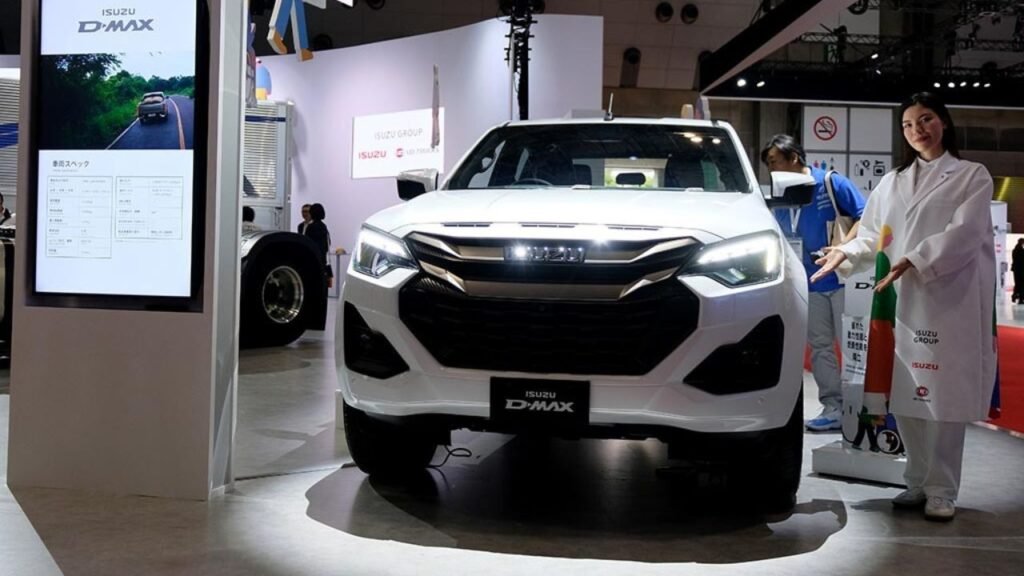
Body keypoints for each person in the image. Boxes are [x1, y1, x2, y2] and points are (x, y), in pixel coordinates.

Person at [812, 92, 996, 521]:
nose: (918, 130)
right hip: (898, 301)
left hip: (948, 300)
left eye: (926, 119)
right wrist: (845, 252)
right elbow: (873, 234)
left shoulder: (971, 175)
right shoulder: (893, 181)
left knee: (943, 400)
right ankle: (916, 480)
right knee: (907, 394)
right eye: (909, 125)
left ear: (943, 122)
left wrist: (915, 259)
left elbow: (965, 233)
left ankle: (942, 490)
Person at [761, 134, 866, 431]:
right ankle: (833, 406)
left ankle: (859, 408)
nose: (771, 169)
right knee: (820, 347)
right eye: (768, 164)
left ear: (794, 157)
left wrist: (842, 247)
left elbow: (865, 216)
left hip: (843, 280)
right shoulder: (780, 193)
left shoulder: (830, 182)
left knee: (852, 347)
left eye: (774, 161)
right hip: (807, 284)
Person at [303, 203, 333, 288]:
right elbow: (327, 244)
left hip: (312, 262)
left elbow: (307, 244)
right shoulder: (324, 227)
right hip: (322, 262)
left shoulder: (310, 227)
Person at [1012, 238, 1024, 304]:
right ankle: (1020, 299)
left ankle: (1015, 296)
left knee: (1017, 284)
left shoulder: (1014, 250)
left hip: (1016, 269)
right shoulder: (1021, 250)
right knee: (1021, 284)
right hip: (1020, 270)